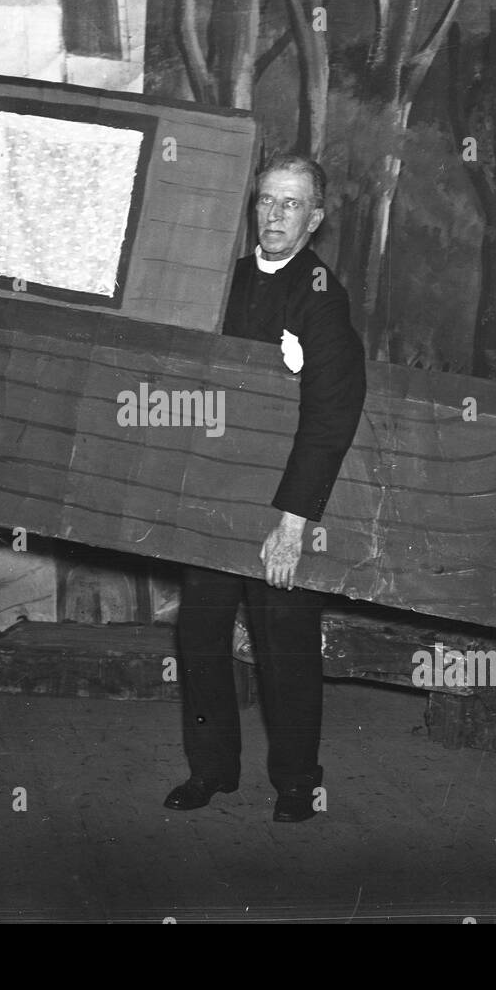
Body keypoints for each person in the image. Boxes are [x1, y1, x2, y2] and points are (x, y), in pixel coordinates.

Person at [164, 153, 367, 823]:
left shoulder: (323, 298)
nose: (274, 215)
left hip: (281, 502)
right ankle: (212, 768)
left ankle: (296, 780)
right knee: (198, 633)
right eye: (266, 201)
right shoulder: (225, 283)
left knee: (284, 642)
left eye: (291, 204)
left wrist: (292, 522)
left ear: (315, 216)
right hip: (216, 496)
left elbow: (332, 414)